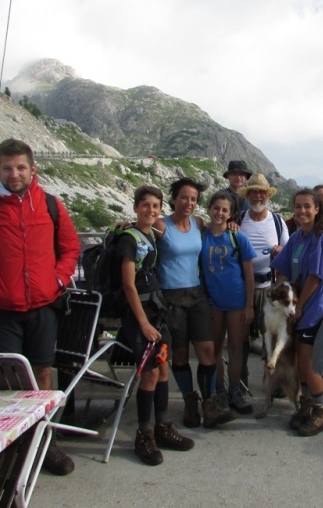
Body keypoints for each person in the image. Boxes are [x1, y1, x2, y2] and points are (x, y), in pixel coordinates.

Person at [0, 138, 80, 476]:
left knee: (42, 374)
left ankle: (45, 444)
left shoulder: (51, 204)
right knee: (6, 379)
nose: (14, 174)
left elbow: (70, 248)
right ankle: (11, 450)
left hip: (43, 306)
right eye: (7, 168)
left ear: (32, 169)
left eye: (21, 167)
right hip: (1, 310)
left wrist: (57, 280)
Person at [117, 185, 194, 466]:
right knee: (150, 372)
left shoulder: (151, 234)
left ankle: (162, 427)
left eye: (155, 206)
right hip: (140, 314)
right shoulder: (128, 240)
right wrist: (143, 323)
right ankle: (144, 434)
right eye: (145, 205)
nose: (151, 210)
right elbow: (128, 284)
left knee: (162, 367)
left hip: (156, 310)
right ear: (136, 207)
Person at [154, 178, 234, 428]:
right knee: (179, 353)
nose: (189, 203)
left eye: (193, 199)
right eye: (184, 198)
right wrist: (124, 226)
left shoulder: (198, 223)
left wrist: (231, 223)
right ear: (174, 199)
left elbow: (218, 226)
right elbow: (140, 234)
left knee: (207, 350)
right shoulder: (161, 225)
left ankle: (209, 404)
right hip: (171, 296)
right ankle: (190, 402)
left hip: (196, 294)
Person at [271, 188, 323, 436]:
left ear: (317, 209)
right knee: (299, 356)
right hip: (297, 306)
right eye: (298, 206)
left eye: (307, 206)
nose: (302, 211)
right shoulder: (298, 237)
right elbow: (284, 269)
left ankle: (322, 410)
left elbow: (315, 278)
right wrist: (280, 295)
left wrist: (298, 307)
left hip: (314, 306)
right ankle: (307, 404)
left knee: (308, 362)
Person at [200, 191, 256, 416]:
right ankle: (219, 392)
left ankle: (235, 391)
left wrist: (250, 305)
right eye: (216, 208)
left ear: (231, 213)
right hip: (212, 301)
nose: (220, 213)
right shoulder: (201, 235)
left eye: (225, 210)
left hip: (236, 301)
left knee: (235, 348)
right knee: (214, 349)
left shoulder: (238, 237)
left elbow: (249, 274)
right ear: (209, 209)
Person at [236, 174, 289, 395]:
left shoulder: (277, 222)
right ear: (246, 195)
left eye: (262, 192)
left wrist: (280, 254)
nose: (258, 196)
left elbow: (287, 257)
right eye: (253, 192)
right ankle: (240, 383)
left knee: (272, 338)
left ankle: (273, 382)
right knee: (240, 339)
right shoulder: (237, 220)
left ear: (267, 196)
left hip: (269, 287)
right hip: (241, 289)